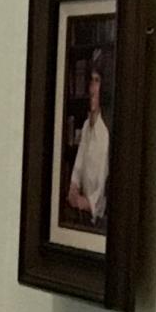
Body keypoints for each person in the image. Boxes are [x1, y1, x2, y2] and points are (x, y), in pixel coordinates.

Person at [63, 58, 110, 227]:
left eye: (97, 81)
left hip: (99, 216)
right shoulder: (85, 127)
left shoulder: (106, 133)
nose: (92, 88)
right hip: (81, 211)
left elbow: (103, 185)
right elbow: (78, 165)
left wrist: (86, 203)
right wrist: (73, 187)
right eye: (91, 81)